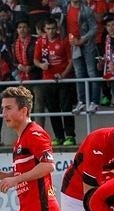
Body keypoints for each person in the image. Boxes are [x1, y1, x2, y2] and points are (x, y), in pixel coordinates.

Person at [33, 17, 75, 146]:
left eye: (53, 28)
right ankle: (58, 136)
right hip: (47, 80)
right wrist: (41, 65)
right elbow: (36, 60)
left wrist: (62, 75)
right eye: (48, 29)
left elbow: (71, 61)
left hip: (63, 80)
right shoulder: (41, 41)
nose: (51, 31)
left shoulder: (64, 40)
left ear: (56, 28)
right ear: (44, 30)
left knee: (66, 107)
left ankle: (70, 135)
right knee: (52, 108)